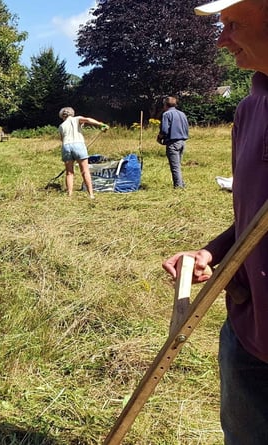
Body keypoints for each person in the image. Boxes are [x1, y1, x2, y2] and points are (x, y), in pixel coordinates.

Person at [163, 0, 268, 443]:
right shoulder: (249, 109)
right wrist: (213, 252)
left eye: (234, 24)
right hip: (249, 333)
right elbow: (251, 215)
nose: (222, 39)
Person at [57, 107, 108, 199]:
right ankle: (91, 194)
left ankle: (69, 194)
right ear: (72, 114)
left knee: (69, 172)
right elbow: (88, 119)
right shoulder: (77, 119)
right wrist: (100, 124)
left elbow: (62, 139)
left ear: (62, 116)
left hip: (66, 146)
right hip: (78, 145)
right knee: (85, 171)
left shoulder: (61, 126)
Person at [157, 96, 189, 188]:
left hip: (173, 143)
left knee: (175, 167)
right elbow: (186, 128)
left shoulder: (167, 114)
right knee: (178, 165)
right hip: (182, 142)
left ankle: (178, 186)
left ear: (165, 104)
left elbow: (164, 130)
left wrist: (159, 137)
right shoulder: (182, 114)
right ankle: (181, 183)